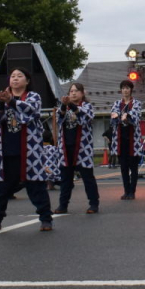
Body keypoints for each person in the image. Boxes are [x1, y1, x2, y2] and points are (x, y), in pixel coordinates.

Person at [0, 67, 54, 233]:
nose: (15, 79)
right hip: (7, 149)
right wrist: (1, 102)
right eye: (12, 76)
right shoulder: (1, 97)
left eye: (19, 76)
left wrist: (11, 101)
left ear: (27, 81)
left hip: (30, 152)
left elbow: (31, 112)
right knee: (1, 189)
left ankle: (46, 219)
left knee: (36, 186)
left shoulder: (33, 97)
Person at [54, 82, 100, 214]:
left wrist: (72, 106)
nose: (73, 93)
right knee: (65, 179)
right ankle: (63, 205)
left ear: (82, 93)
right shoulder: (64, 107)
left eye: (76, 91)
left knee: (87, 177)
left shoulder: (87, 106)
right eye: (71, 91)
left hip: (82, 148)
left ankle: (94, 203)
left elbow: (85, 118)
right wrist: (64, 105)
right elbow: (58, 120)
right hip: (66, 147)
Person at [109, 79, 145, 200]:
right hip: (120, 139)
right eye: (123, 88)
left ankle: (132, 191)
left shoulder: (137, 103)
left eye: (127, 88)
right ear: (121, 90)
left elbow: (134, 115)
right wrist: (121, 116)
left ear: (131, 90)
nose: (125, 90)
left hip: (132, 140)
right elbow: (113, 117)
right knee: (123, 167)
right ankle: (126, 190)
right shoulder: (116, 103)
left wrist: (126, 116)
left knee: (133, 167)